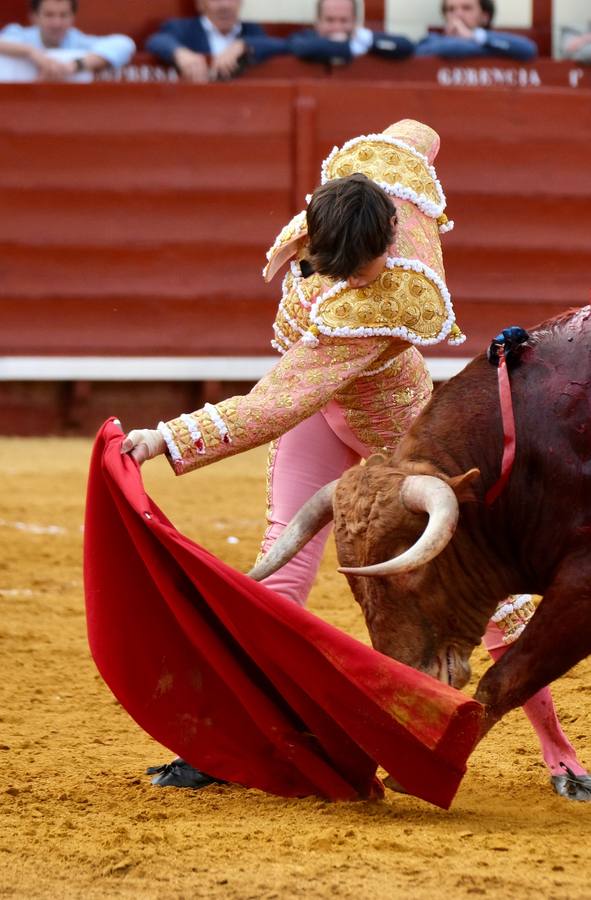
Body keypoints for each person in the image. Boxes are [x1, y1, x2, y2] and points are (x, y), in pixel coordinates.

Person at [122, 119, 588, 795]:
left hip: (396, 431)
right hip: (320, 415)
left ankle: (560, 753)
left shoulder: (389, 294)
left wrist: (166, 437)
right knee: (280, 564)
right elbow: (418, 131)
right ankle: (236, 743)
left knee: (479, 588)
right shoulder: (372, 181)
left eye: (367, 266)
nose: (361, 278)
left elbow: (275, 401)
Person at [145, 0, 286, 83]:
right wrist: (179, 53)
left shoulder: (251, 31)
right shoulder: (183, 28)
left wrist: (243, 45)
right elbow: (156, 40)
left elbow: (283, 45)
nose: (224, 5)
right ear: (200, 4)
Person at [0, 0, 135, 82]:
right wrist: (31, 51)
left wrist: (73, 66)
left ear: (73, 17)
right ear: (34, 17)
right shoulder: (19, 35)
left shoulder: (78, 41)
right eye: (49, 15)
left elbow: (124, 44)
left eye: (63, 15)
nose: (57, 23)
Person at [288, 0, 413, 66]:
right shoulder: (304, 39)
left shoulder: (365, 39)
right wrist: (346, 48)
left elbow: (406, 46)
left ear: (355, 22)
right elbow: (302, 48)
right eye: (330, 20)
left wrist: (368, 40)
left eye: (344, 20)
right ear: (318, 21)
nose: (337, 27)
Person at [416, 0, 537, 61]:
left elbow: (528, 49)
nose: (457, 14)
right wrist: (490, 49)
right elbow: (450, 48)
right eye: (450, 9)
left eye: (466, 8)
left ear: (485, 16)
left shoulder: (490, 38)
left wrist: (475, 36)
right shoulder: (432, 40)